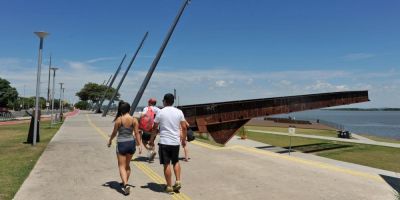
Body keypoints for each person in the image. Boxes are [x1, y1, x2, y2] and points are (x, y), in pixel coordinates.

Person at [150, 93, 187, 194]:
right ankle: (178, 181)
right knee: (175, 161)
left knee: (166, 164)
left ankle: (169, 186)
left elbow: (155, 128)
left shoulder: (161, 112)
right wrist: (183, 140)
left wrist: (152, 139)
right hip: (175, 142)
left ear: (165, 101)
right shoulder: (179, 112)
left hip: (164, 142)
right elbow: (184, 127)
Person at [108, 101, 142, 195]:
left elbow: (114, 133)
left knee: (121, 166)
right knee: (127, 165)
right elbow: (137, 133)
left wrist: (110, 140)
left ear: (120, 110)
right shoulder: (134, 119)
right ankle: (125, 183)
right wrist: (139, 145)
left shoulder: (119, 120)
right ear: (129, 109)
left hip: (121, 144)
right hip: (131, 143)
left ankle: (125, 184)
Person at [141, 98, 161, 162]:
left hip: (147, 128)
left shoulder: (146, 108)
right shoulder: (158, 109)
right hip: (155, 129)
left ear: (149, 102)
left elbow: (143, 115)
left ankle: (151, 151)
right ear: (155, 103)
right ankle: (151, 156)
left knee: (144, 141)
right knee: (152, 142)